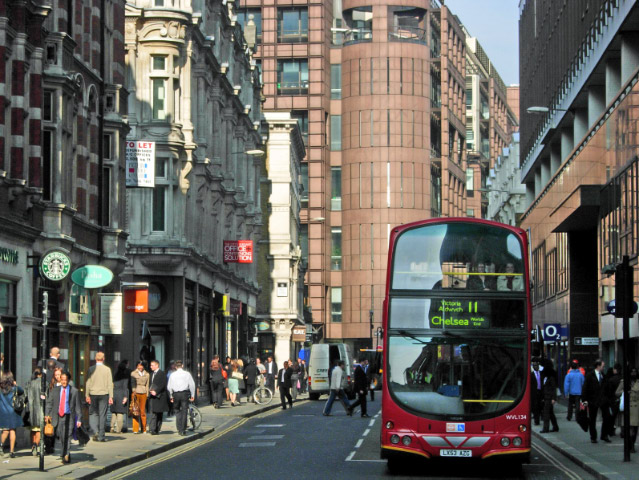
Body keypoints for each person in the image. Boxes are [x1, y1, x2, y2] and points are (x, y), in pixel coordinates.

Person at [45, 372, 82, 464]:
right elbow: (49, 403)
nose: (64, 382)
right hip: (57, 416)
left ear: (68, 380)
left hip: (69, 416)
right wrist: (47, 415)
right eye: (62, 380)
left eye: (65, 380)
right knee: (61, 436)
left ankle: (66, 454)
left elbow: (78, 406)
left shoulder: (74, 391)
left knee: (67, 435)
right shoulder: (55, 390)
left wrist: (79, 419)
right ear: (60, 380)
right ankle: (65, 452)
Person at [85, 352, 114, 442]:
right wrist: (111, 396)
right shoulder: (107, 369)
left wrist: (87, 395)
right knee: (102, 414)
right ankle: (101, 436)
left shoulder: (91, 369)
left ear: (95, 358)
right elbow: (110, 384)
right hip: (104, 394)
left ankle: (95, 431)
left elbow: (88, 383)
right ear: (103, 358)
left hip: (93, 394)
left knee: (93, 413)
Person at [582, 358, 612, 443]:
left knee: (607, 417)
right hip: (593, 400)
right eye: (603, 366)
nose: (604, 368)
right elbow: (585, 388)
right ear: (598, 366)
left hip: (603, 400)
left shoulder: (604, 376)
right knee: (592, 419)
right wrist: (584, 400)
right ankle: (593, 437)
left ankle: (604, 435)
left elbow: (607, 388)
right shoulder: (589, 375)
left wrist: (608, 398)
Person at [167, 360, 195, 436]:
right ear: (182, 366)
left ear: (176, 367)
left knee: (177, 410)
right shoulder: (187, 374)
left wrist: (171, 396)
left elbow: (169, 387)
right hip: (184, 394)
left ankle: (179, 428)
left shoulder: (173, 375)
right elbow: (192, 385)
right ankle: (183, 429)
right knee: (184, 411)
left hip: (176, 394)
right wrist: (192, 395)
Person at [0, 372, 23, 458]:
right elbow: (22, 391)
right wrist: (15, 384)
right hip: (12, 412)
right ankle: (12, 451)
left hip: (3, 412)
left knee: (5, 431)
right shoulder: (14, 388)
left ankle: (1, 445)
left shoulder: (1, 389)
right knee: (12, 430)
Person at [616, 368, 639, 452]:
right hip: (627, 407)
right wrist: (624, 391)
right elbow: (617, 392)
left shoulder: (638, 382)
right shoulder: (624, 382)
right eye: (632, 372)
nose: (633, 373)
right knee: (627, 428)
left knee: (635, 428)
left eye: (635, 372)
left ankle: (632, 445)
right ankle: (629, 445)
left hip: (636, 408)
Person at [147, 360, 169, 435]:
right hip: (152, 397)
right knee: (153, 412)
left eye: (152, 365)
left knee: (159, 413)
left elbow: (163, 385)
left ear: (157, 365)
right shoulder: (151, 374)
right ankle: (152, 429)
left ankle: (157, 428)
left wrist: (156, 391)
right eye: (150, 365)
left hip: (160, 396)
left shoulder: (162, 374)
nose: (151, 367)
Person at [27, 368, 45, 456]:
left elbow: (26, 397)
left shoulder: (29, 383)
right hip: (40, 410)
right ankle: (37, 446)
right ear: (41, 374)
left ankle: (33, 445)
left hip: (31, 411)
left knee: (32, 431)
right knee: (38, 430)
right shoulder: (43, 383)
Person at [110, 361, 130, 434]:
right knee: (120, 413)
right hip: (121, 394)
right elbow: (125, 387)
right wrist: (125, 397)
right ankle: (118, 430)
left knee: (114, 412)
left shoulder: (115, 375)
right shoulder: (125, 377)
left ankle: (112, 427)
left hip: (114, 393)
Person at [130, 360, 149, 434]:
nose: (140, 367)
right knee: (135, 411)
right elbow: (132, 383)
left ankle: (144, 428)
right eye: (139, 365)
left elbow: (147, 384)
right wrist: (133, 391)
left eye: (142, 365)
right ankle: (135, 429)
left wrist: (147, 393)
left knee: (143, 411)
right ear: (137, 366)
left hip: (143, 392)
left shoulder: (147, 374)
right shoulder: (133, 373)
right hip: (136, 392)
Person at [539, 360, 559, 433]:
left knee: (546, 413)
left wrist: (554, 398)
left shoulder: (550, 378)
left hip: (549, 397)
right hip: (546, 396)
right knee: (550, 413)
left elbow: (554, 388)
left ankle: (546, 428)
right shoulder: (545, 377)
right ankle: (555, 426)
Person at [604, 363, 622, 437]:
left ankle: (611, 430)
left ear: (616, 370)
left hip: (613, 400)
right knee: (621, 416)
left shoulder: (611, 380)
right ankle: (622, 430)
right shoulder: (622, 378)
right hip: (621, 399)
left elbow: (609, 391)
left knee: (612, 416)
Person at [530, 359, 544, 425]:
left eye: (537, 365)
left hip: (541, 392)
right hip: (534, 393)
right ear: (533, 366)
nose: (536, 367)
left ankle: (542, 417)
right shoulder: (531, 375)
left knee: (541, 406)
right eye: (535, 366)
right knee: (535, 407)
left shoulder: (541, 374)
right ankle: (536, 420)